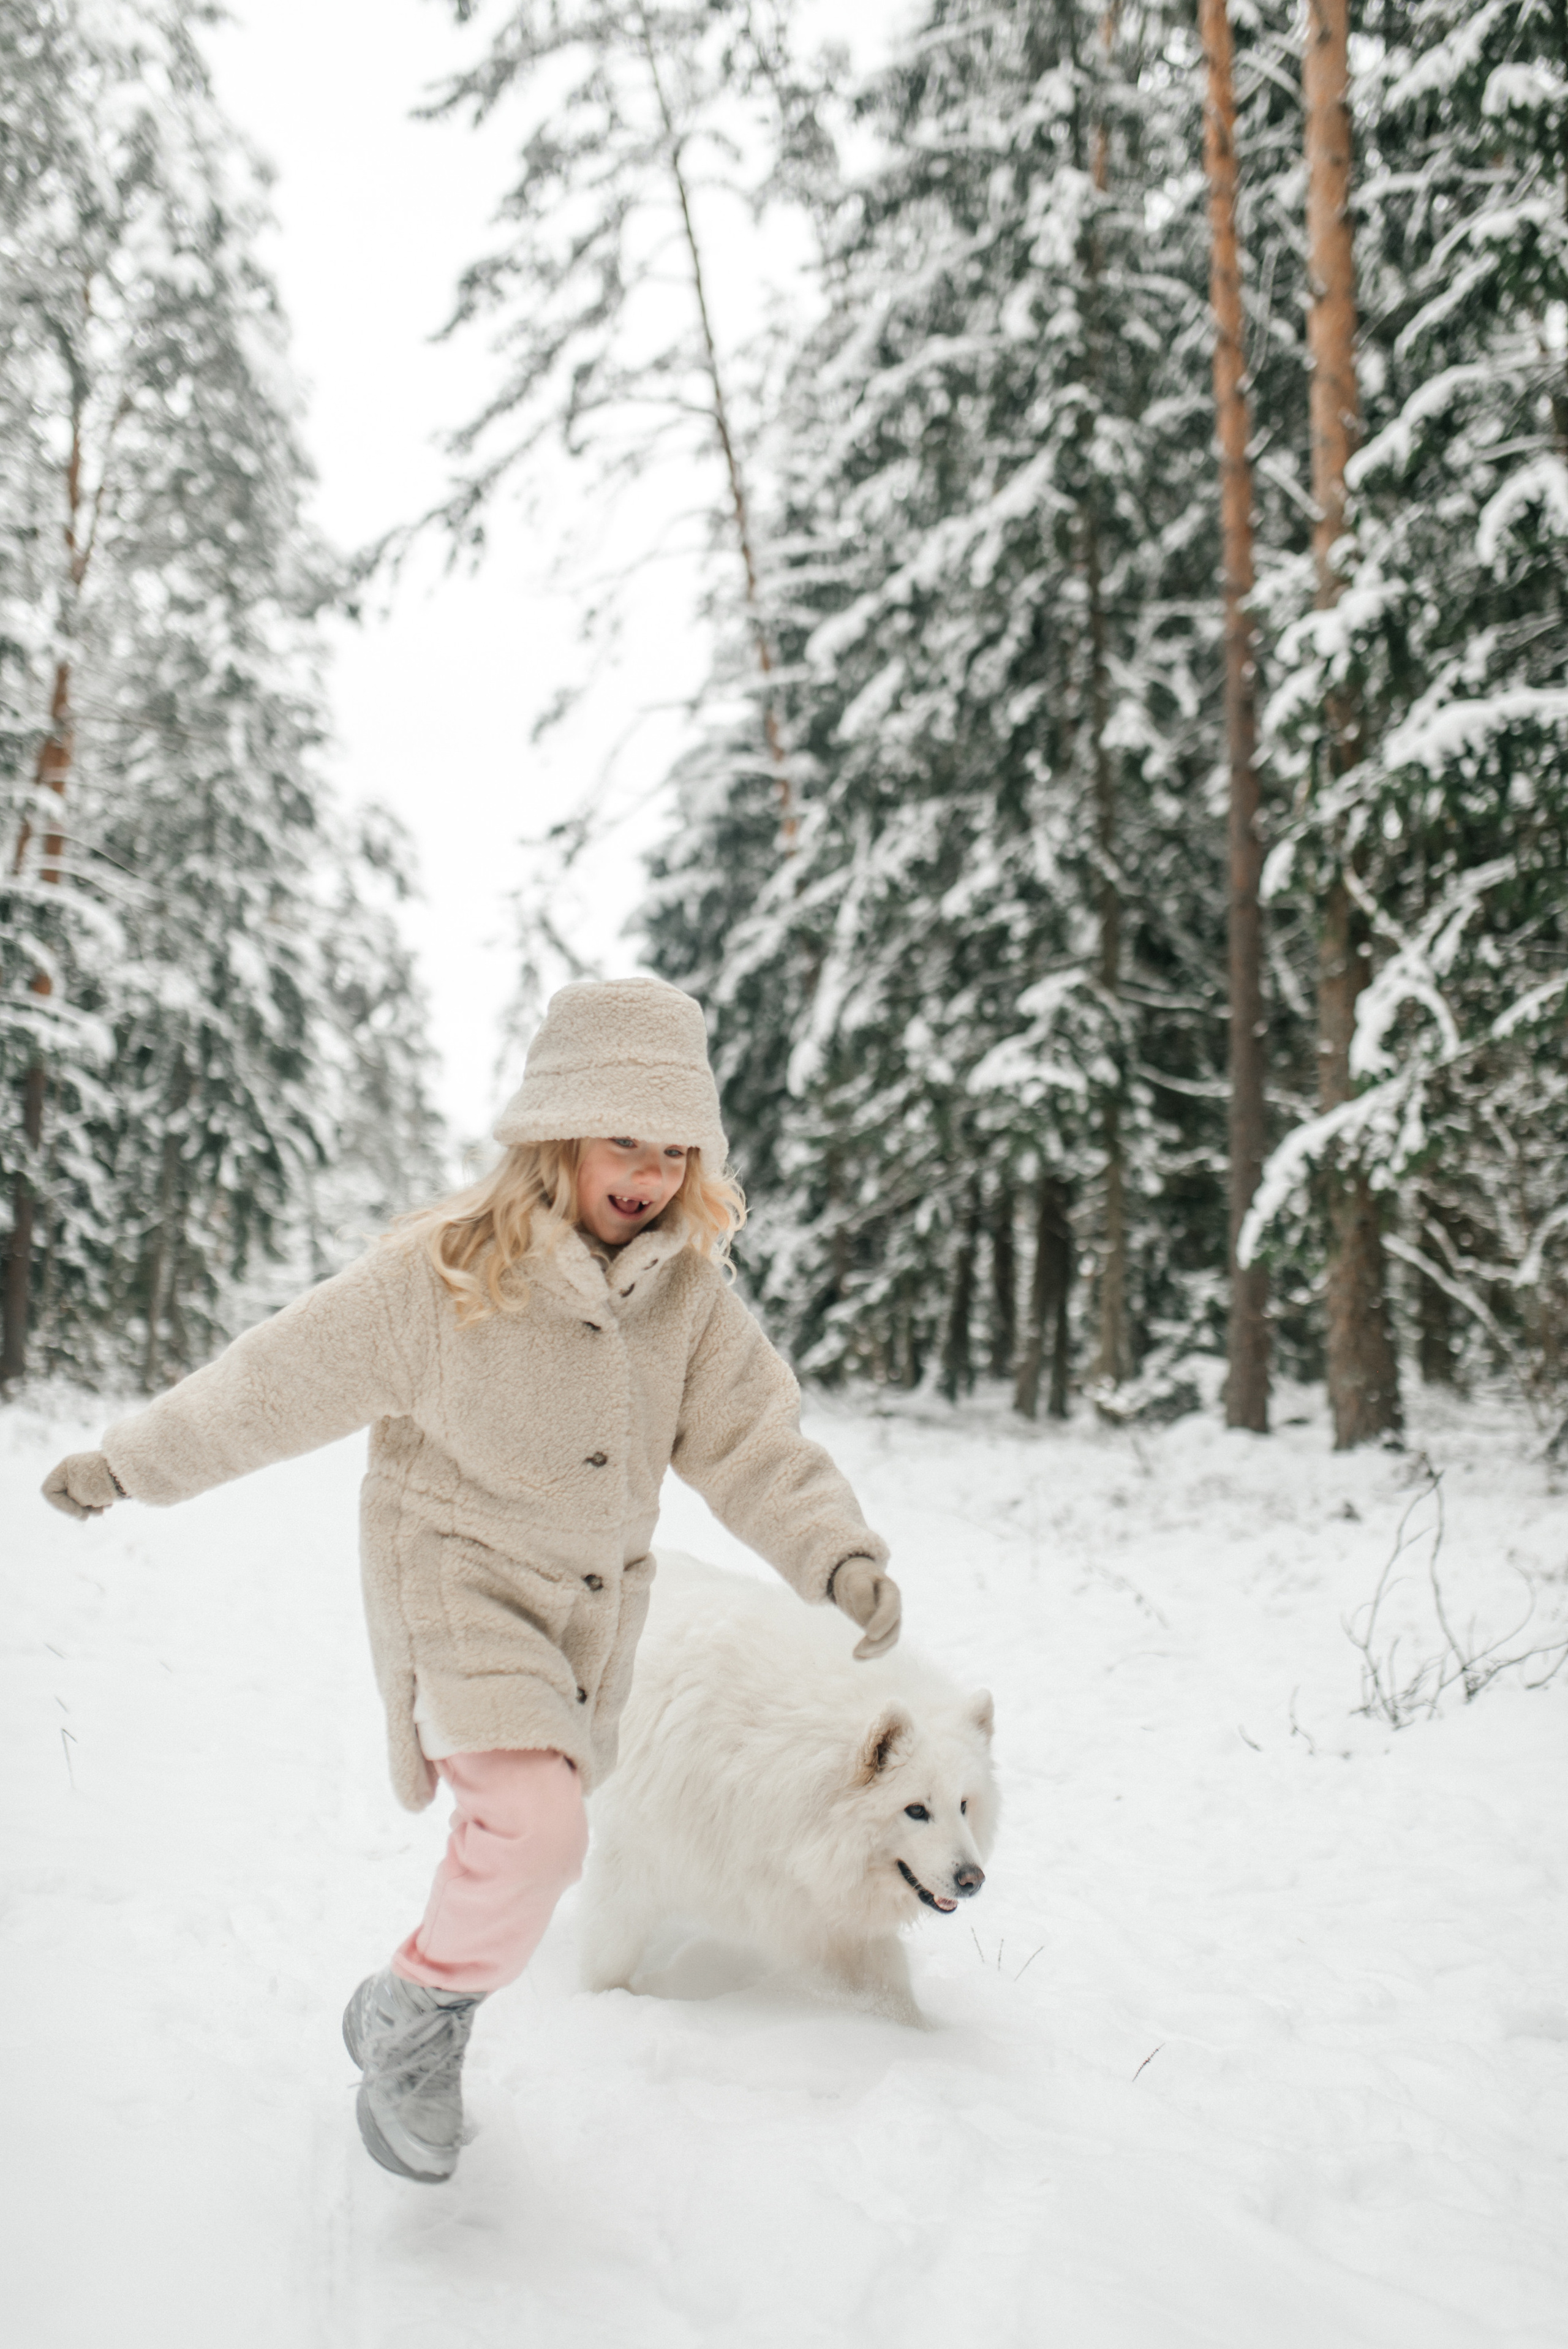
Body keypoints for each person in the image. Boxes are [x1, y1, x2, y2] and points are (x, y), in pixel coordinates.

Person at [41, 976, 899, 2184]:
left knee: (536, 1837)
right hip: (459, 1589)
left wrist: (838, 1555)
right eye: (622, 1140)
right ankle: (422, 2026)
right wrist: (128, 1464)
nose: (647, 1174)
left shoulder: (689, 1301)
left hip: (588, 1622)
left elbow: (755, 1444)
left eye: (672, 1149)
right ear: (556, 1128)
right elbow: (272, 1385)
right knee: (542, 1831)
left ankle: (402, 2003)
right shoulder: (444, 1276)